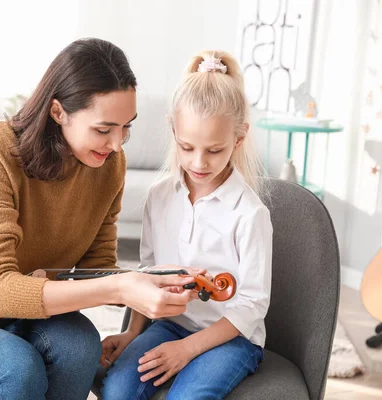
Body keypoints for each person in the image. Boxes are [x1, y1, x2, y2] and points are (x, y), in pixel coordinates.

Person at [0, 37, 196, 400]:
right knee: (16, 365)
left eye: (126, 127)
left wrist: (148, 280)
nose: (117, 144)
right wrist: (119, 287)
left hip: (29, 315)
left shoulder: (109, 165)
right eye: (104, 130)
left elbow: (96, 267)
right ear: (59, 112)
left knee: (81, 347)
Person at [100, 50, 273, 400]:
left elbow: (252, 305)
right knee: (116, 390)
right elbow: (149, 275)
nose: (198, 162)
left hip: (231, 338)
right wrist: (134, 333)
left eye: (214, 150)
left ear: (238, 140)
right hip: (169, 326)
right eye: (187, 146)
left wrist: (188, 350)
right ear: (173, 131)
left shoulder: (250, 214)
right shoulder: (160, 197)